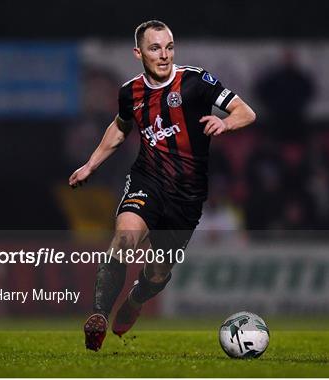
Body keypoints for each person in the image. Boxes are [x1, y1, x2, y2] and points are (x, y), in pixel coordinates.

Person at [68, 20, 256, 351]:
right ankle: (97, 317)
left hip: (187, 196)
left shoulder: (196, 81)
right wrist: (90, 164)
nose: (164, 55)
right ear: (138, 52)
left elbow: (246, 111)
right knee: (124, 239)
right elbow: (120, 127)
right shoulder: (130, 92)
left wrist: (225, 122)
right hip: (147, 180)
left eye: (169, 47)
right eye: (155, 48)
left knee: (156, 274)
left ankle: (136, 299)